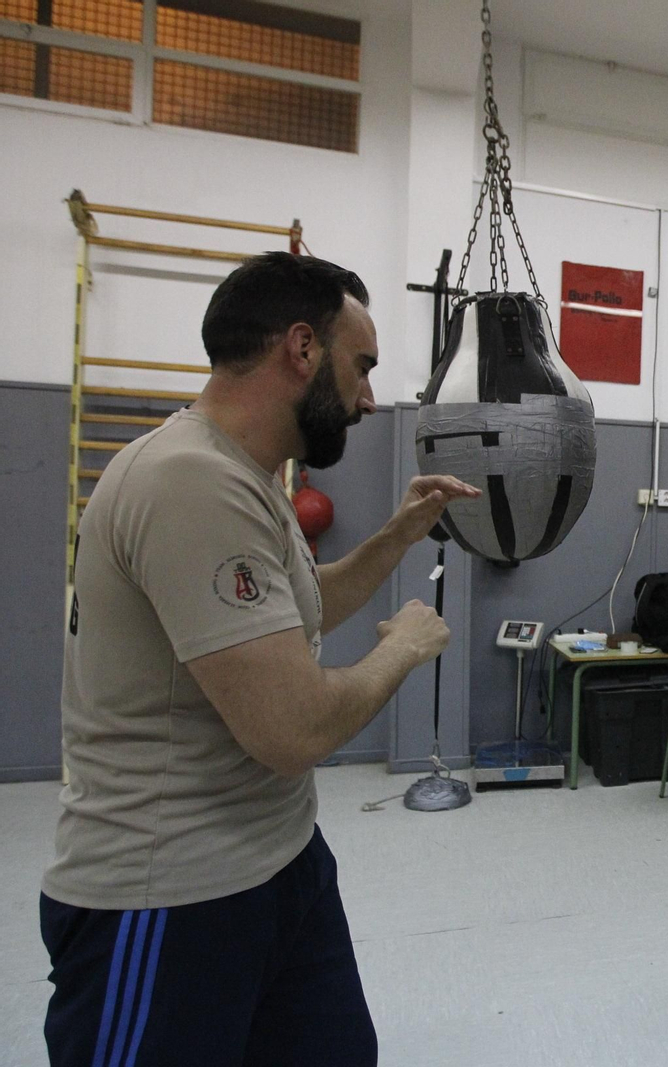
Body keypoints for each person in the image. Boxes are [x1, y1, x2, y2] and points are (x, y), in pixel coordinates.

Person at [40, 252, 479, 1066]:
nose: (368, 397)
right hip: (169, 894)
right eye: (363, 366)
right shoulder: (188, 482)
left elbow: (297, 611)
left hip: (279, 861)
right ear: (303, 349)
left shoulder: (244, 477)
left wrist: (396, 536)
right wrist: (404, 650)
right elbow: (293, 729)